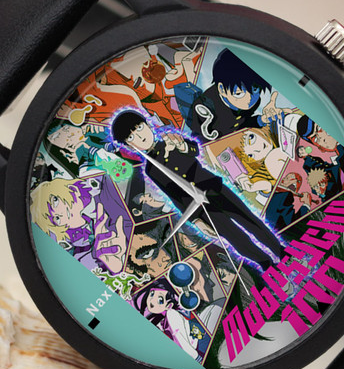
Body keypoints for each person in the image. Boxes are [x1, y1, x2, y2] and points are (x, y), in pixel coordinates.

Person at [111, 110, 285, 270]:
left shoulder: (171, 138)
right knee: (235, 238)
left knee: (249, 220)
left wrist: (182, 147)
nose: (139, 136)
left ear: (147, 124)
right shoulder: (150, 170)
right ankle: (266, 264)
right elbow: (175, 197)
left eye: (139, 128)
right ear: (129, 146)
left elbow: (194, 150)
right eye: (131, 137)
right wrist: (196, 221)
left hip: (214, 188)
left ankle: (280, 251)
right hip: (201, 208)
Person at [134, 281, 200, 360]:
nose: (152, 300)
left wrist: (195, 357)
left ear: (169, 305)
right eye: (152, 294)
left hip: (191, 349)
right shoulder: (160, 320)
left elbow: (180, 338)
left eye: (160, 300)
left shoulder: (171, 314)